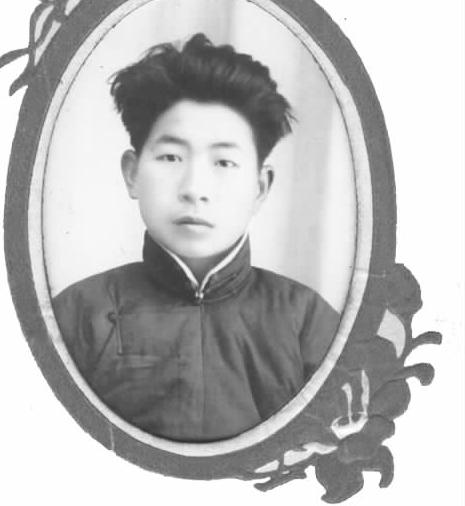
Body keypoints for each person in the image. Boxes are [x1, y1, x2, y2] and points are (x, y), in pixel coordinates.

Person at [53, 33, 340, 442]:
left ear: (260, 187)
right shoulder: (78, 315)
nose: (194, 188)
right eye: (171, 157)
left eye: (224, 162)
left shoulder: (307, 322)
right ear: (132, 173)